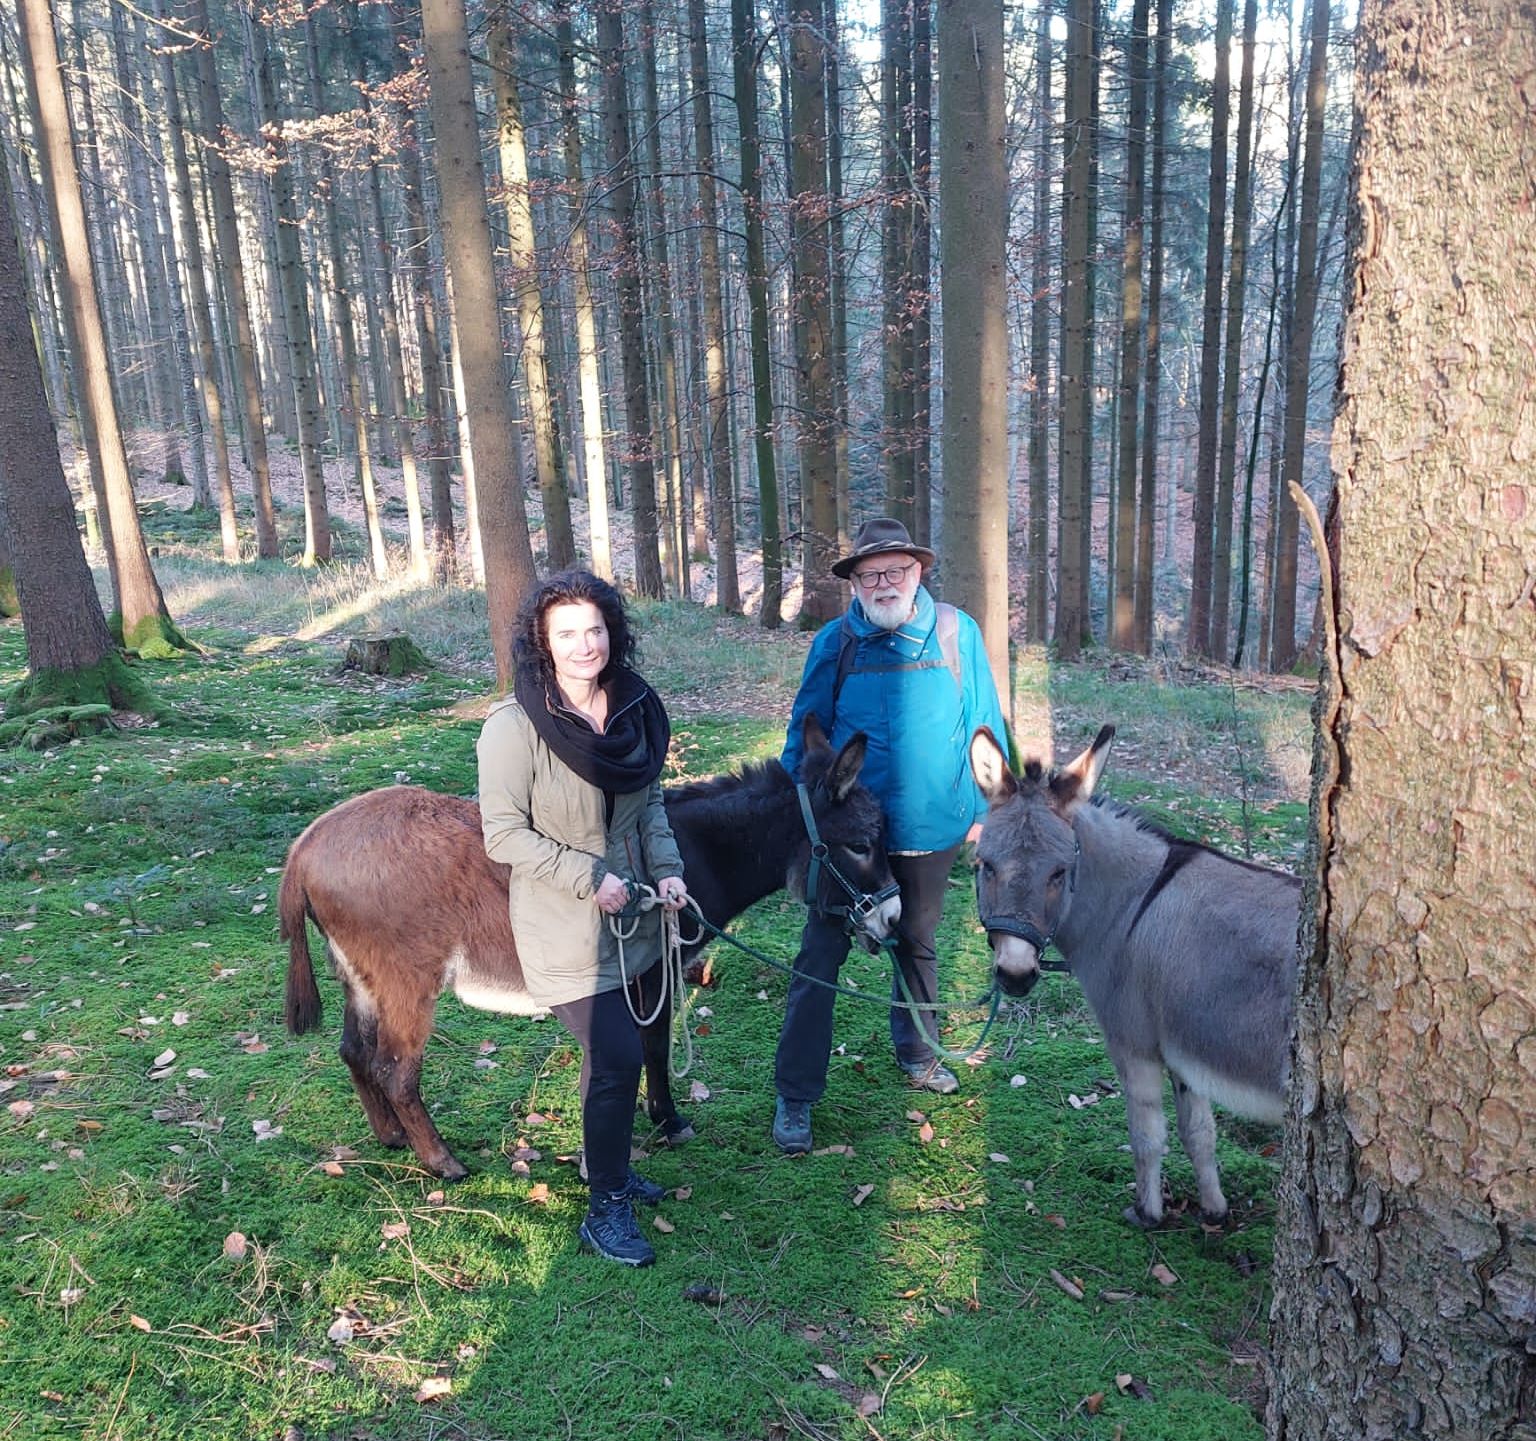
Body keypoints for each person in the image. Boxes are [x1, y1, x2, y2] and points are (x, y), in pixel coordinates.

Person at [772, 518, 1009, 1154]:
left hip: (932, 825)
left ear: (918, 571)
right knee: (820, 954)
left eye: (895, 571)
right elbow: (804, 729)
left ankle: (919, 1053)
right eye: (870, 574)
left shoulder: (957, 633)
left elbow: (984, 722)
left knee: (918, 943)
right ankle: (796, 1093)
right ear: (854, 583)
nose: (884, 584)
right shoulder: (834, 642)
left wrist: (992, 807)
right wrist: (794, 811)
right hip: (851, 835)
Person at [478, 569, 690, 1266]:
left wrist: (667, 868)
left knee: (616, 1059)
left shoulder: (634, 709)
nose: (584, 645)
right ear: (542, 641)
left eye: (594, 629)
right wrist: (588, 876)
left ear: (611, 633)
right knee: (619, 1058)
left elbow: (649, 803)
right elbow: (503, 835)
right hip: (563, 926)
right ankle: (604, 1210)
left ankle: (611, 1169)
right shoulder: (513, 728)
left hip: (632, 922)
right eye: (566, 632)